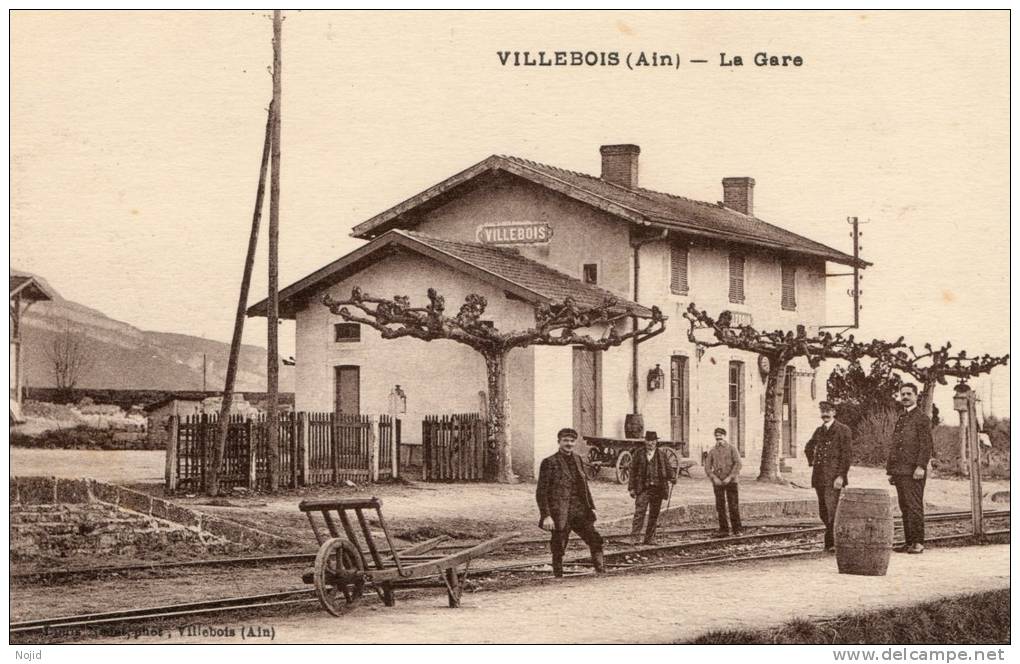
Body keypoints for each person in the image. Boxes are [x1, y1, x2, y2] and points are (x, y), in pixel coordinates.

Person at [536, 427, 606, 577]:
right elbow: (541, 492)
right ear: (559, 442)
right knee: (558, 546)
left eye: (572, 441)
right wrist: (546, 516)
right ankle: (558, 576)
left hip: (580, 510)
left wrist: (589, 507)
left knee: (595, 540)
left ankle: (601, 572)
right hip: (560, 512)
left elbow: (584, 486)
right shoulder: (549, 462)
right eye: (565, 440)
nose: (569, 443)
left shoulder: (578, 459)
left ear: (575, 442)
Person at [886, 383, 933, 554]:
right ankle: (909, 542)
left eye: (909, 394)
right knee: (904, 506)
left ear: (916, 396)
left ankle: (918, 543)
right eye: (902, 394)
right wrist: (891, 471)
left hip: (914, 471)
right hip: (900, 471)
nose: (905, 397)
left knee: (914, 506)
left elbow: (926, 445)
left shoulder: (921, 418)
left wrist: (921, 466)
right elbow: (895, 446)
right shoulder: (902, 418)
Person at [804, 401, 853, 552]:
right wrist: (812, 461)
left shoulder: (843, 430)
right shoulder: (819, 431)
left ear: (834, 412)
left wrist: (841, 476)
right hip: (819, 477)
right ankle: (831, 541)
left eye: (828, 411)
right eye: (822, 411)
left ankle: (832, 543)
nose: (825, 414)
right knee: (823, 510)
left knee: (833, 510)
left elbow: (847, 455)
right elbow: (808, 447)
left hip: (834, 478)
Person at [628, 431, 677, 545]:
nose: (650, 443)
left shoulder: (661, 455)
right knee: (639, 513)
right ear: (645, 441)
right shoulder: (638, 454)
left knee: (654, 514)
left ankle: (649, 538)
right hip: (643, 488)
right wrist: (631, 488)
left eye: (653, 441)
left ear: (656, 442)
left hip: (658, 489)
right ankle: (635, 537)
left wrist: (673, 477)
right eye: (648, 441)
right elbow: (632, 472)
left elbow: (669, 469)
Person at [704, 427, 742, 536]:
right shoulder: (712, 451)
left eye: (720, 437)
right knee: (720, 506)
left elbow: (738, 464)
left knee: (733, 505)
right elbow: (707, 467)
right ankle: (724, 529)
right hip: (718, 483)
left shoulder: (732, 449)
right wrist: (714, 478)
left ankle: (737, 529)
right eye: (716, 437)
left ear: (725, 437)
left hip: (731, 481)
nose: (718, 439)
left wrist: (730, 477)